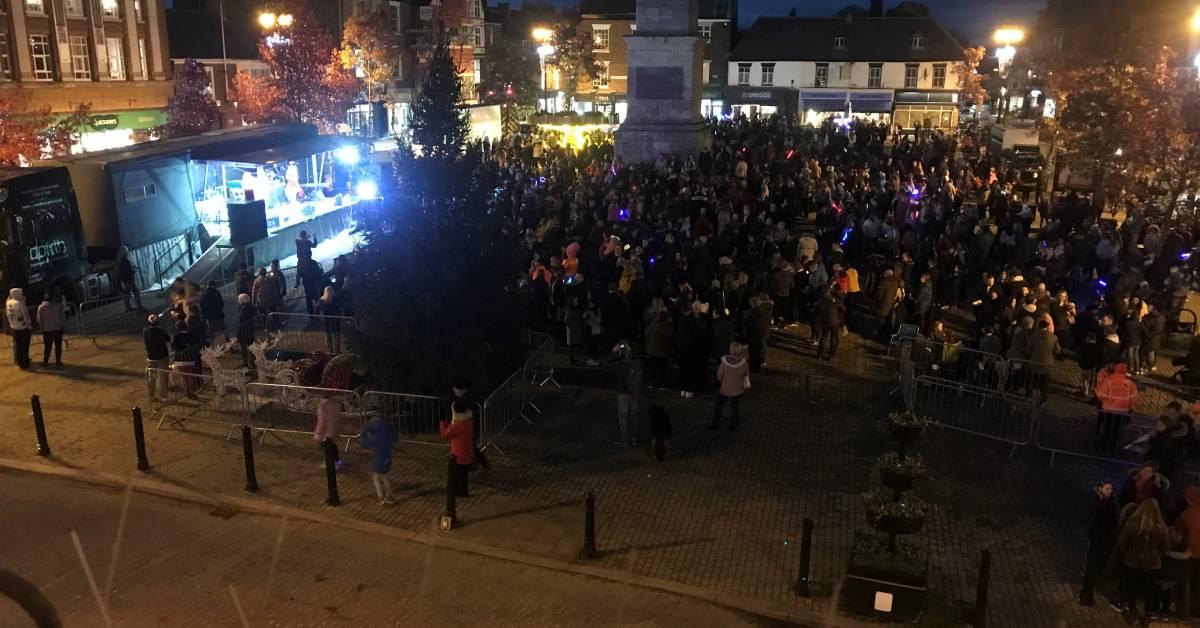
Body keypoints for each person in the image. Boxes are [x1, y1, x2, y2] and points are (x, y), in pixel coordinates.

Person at [1108, 499, 1171, 623]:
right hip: (1152, 565)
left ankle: (1132, 613)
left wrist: (1127, 552)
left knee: (1131, 588)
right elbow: (1166, 546)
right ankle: (1147, 615)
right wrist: (1157, 553)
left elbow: (1121, 542)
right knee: (1149, 590)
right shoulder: (1160, 526)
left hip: (1132, 562)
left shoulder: (1133, 523)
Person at [1079, 480, 1119, 606]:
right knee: (1092, 564)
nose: (1109, 491)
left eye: (1110, 488)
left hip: (1104, 536)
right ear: (1100, 489)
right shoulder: (1097, 503)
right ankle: (1087, 593)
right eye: (1107, 489)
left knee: (1097, 563)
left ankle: (1090, 587)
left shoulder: (1111, 502)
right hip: (1098, 537)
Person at [1096, 363, 1137, 452]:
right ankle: (1113, 445)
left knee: (1107, 427)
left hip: (1108, 409)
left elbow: (1101, 395)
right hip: (1122, 411)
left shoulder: (1108, 381)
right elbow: (1133, 397)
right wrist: (1132, 407)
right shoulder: (1130, 384)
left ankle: (1104, 444)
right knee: (1116, 429)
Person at [439, 399, 476, 498]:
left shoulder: (455, 426)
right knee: (464, 474)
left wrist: (442, 424)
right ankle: (464, 491)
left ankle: (454, 493)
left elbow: (445, 434)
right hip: (468, 453)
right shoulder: (469, 422)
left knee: (455, 475)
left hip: (457, 455)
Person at [1174, 486, 1200, 618]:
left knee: (1184, 583)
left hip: (1189, 553)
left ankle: (1182, 612)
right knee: (1198, 585)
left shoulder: (1186, 514)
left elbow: (1177, 532)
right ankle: (1196, 610)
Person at [359, 416, 397, 505]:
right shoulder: (387, 434)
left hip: (378, 459)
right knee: (385, 477)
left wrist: (364, 432)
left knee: (376, 477)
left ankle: (380, 497)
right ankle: (390, 496)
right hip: (387, 458)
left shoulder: (375, 438)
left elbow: (364, 443)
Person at [711, 342, 749, 431]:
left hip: (725, 388)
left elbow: (719, 376)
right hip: (737, 388)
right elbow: (747, 374)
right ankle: (734, 424)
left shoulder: (724, 362)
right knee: (735, 406)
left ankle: (715, 423)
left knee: (719, 405)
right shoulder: (744, 363)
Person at [612, 341, 643, 447]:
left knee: (623, 418)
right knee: (634, 416)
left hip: (623, 393)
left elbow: (606, 364)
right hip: (636, 392)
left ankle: (625, 441)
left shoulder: (621, 365)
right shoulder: (639, 363)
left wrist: (613, 352)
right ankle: (635, 438)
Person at [143, 314, 171, 399]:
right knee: (163, 377)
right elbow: (168, 339)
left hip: (151, 357)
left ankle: (151, 395)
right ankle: (164, 396)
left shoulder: (146, 332)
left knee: (152, 377)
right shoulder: (161, 331)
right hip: (163, 356)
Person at [171, 320, 201, 397]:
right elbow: (197, 344)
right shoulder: (191, 334)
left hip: (180, 360)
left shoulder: (176, 336)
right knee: (190, 376)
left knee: (184, 377)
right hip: (190, 359)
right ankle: (191, 391)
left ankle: (187, 392)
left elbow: (174, 347)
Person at [815, 287, 846, 361]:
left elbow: (818, 309)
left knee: (823, 337)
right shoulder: (837, 303)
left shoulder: (823, 300)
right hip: (835, 322)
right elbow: (843, 310)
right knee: (834, 338)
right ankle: (831, 355)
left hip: (825, 321)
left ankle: (819, 355)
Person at [644, 311, 673, 389]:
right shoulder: (668, 327)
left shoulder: (653, 325)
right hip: (663, 351)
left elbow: (647, 335)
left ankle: (651, 382)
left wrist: (648, 345)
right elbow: (671, 339)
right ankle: (661, 384)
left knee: (652, 367)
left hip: (652, 350)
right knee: (661, 368)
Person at [5, 287, 32, 370]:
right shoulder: (19, 303)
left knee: (18, 347)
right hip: (23, 328)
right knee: (25, 347)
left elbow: (7, 314)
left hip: (14, 327)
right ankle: (26, 364)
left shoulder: (8, 303)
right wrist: (29, 324)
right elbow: (25, 315)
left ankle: (20, 363)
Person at [36, 295, 64, 367]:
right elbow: (62, 317)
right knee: (58, 346)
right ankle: (58, 361)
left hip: (47, 330)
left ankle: (45, 361)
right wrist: (62, 326)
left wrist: (41, 329)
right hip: (57, 329)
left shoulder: (41, 307)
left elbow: (39, 320)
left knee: (47, 347)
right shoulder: (58, 306)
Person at [314, 396, 342, 467]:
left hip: (327, 430)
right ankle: (336, 461)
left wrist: (320, 431)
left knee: (328, 445)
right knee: (332, 444)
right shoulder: (333, 403)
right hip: (331, 429)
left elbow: (322, 419)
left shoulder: (324, 405)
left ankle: (332, 463)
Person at [115, 246, 142, 312]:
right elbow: (128, 270)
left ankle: (128, 308)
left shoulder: (120, 261)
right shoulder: (125, 261)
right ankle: (139, 307)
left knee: (127, 294)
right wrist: (133, 271)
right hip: (128, 279)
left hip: (124, 280)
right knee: (135, 292)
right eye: (127, 251)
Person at [316, 286, 343, 354]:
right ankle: (337, 352)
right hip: (335, 321)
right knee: (336, 337)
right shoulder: (335, 299)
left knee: (328, 338)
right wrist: (342, 317)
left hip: (326, 322)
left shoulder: (320, 300)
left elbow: (317, 311)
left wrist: (319, 317)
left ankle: (330, 352)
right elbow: (339, 309)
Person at [236, 294, 256, 367]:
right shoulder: (251, 307)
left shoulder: (243, 309)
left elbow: (241, 320)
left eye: (239, 300)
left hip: (244, 330)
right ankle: (252, 361)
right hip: (250, 329)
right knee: (250, 345)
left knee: (244, 347)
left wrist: (238, 333)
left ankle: (246, 361)